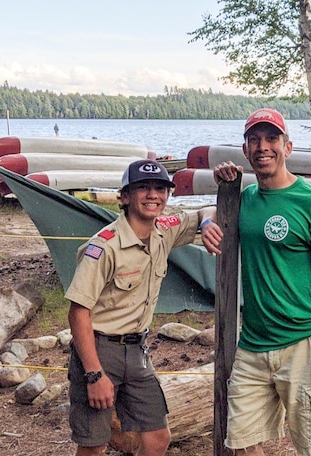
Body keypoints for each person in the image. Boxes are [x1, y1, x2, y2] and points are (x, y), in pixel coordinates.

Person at [210, 108, 311, 456]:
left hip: (305, 344)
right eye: (254, 140)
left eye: (271, 138)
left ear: (287, 147)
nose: (263, 146)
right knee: (243, 442)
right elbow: (213, 213)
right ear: (245, 151)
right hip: (253, 345)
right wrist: (210, 213)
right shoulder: (244, 199)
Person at [65, 159, 220, 456]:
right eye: (143, 188)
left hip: (137, 352)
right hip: (99, 351)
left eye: (160, 188)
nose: (153, 195)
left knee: (158, 436)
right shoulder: (105, 247)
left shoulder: (164, 229)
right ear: (124, 197)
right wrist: (94, 375)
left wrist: (207, 222)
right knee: (94, 443)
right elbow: (78, 312)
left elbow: (203, 210)